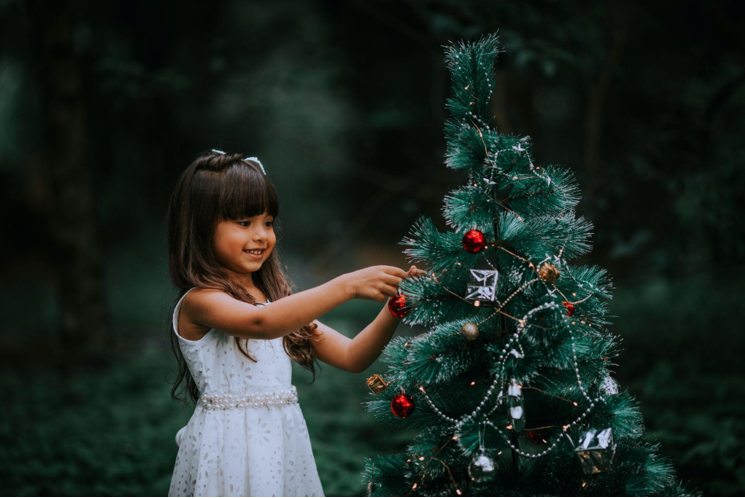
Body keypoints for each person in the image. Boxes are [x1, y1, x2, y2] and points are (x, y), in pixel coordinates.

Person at [165, 150, 424, 497]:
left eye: (268, 222)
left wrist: (396, 306)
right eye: (244, 223)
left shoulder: (276, 305)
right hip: (226, 452)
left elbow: (351, 356)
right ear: (201, 227)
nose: (261, 235)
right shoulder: (201, 301)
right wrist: (347, 285)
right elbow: (261, 322)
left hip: (280, 448)